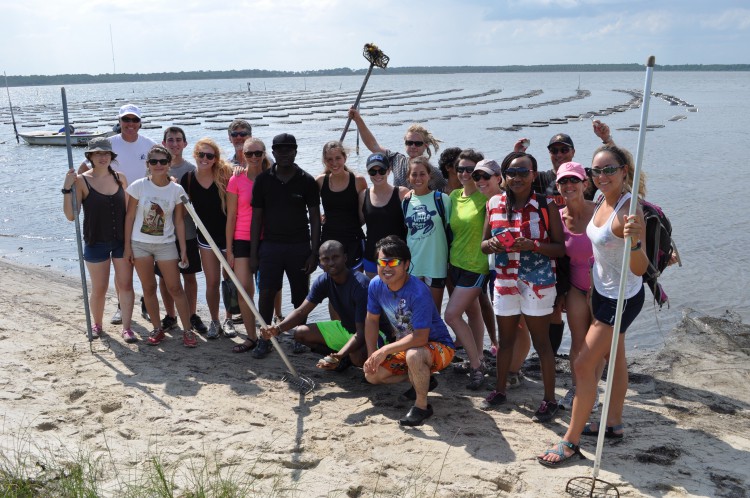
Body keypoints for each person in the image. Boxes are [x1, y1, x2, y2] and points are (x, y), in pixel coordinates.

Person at [538, 144, 648, 467]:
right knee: (616, 358)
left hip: (621, 299)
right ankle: (613, 423)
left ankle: (570, 442)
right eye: (596, 171)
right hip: (602, 291)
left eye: (609, 170)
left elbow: (638, 267)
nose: (602, 176)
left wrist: (637, 241)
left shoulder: (629, 210)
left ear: (624, 171)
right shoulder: (601, 198)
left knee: (584, 364)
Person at [480, 152, 565, 423]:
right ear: (504, 176)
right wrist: (491, 245)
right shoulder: (494, 203)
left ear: (533, 174)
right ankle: (500, 390)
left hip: (537, 282)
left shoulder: (546, 204)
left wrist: (534, 245)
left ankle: (549, 399)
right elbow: (483, 244)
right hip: (504, 281)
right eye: (511, 173)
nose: (516, 177)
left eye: (522, 172)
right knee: (506, 341)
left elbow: (561, 249)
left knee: (542, 344)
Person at [363, 236, 455, 427]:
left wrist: (384, 350)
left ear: (406, 264)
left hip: (439, 347)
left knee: (414, 355)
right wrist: (372, 353)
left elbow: (421, 337)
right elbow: (371, 320)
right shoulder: (375, 285)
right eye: (382, 262)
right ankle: (423, 379)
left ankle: (422, 407)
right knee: (372, 374)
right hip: (408, 346)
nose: (387, 268)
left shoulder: (418, 291)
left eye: (393, 262)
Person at [260, 240, 392, 369]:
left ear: (345, 257)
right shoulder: (323, 281)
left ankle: (345, 359)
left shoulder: (360, 285)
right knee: (300, 333)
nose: (331, 263)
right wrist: (277, 329)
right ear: (320, 263)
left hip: (373, 333)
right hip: (347, 328)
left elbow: (362, 332)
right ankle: (343, 360)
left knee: (357, 357)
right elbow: (301, 312)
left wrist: (338, 355)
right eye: (325, 259)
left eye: (335, 257)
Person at [80, 104, 156, 325]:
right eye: (126, 120)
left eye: (134, 120)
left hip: (144, 212)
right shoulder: (109, 145)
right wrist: (82, 191)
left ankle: (145, 303)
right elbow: (83, 171)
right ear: (120, 122)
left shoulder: (149, 145)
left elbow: (161, 168)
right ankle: (121, 308)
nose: (130, 124)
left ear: (140, 123)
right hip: (117, 212)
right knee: (123, 268)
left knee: (141, 262)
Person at [249, 133, 321, 358]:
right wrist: (253, 254)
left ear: (296, 151)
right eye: (280, 149)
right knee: (267, 292)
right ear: (273, 152)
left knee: (300, 295)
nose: (285, 153)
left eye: (289, 149)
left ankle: (300, 336)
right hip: (270, 246)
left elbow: (316, 219)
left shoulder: (307, 180)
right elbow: (256, 218)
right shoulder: (263, 180)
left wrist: (314, 252)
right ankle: (265, 337)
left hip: (299, 246)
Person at [62, 138, 136, 343]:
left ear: (111, 156)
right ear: (90, 157)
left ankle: (127, 328)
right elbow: (71, 215)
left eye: (106, 153)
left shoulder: (121, 178)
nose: (102, 157)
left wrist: (130, 243)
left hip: (122, 241)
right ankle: (97, 324)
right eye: (97, 154)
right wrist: (66, 189)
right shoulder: (81, 180)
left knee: (126, 285)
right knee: (100, 288)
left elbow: (130, 213)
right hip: (96, 242)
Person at [123, 145, 197, 347]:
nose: (158, 165)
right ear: (147, 164)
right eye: (153, 161)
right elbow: (129, 217)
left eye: (162, 161)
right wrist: (127, 246)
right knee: (149, 288)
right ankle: (157, 329)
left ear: (169, 164)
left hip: (166, 245)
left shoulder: (176, 189)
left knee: (175, 287)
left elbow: (180, 221)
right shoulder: (138, 186)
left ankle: (188, 330)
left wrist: (182, 249)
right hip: (140, 245)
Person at [180, 138, 236, 339]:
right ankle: (215, 320)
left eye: (209, 156)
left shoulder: (226, 175)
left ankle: (229, 319)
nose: (205, 159)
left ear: (215, 159)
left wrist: (230, 248)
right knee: (211, 282)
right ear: (195, 155)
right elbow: (180, 212)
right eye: (201, 154)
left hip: (228, 236)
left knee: (229, 280)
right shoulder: (187, 179)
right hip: (205, 238)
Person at [553, 162, 598, 412]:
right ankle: (578, 387)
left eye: (574, 180)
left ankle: (592, 390)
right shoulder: (558, 218)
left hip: (603, 288)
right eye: (563, 182)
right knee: (578, 343)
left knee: (599, 345)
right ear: (558, 186)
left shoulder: (600, 211)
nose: (569, 186)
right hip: (575, 288)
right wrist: (560, 293)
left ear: (585, 183)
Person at [444, 151, 490, 391]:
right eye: (460, 169)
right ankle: (480, 356)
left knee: (451, 315)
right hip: (456, 264)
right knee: (472, 312)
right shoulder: (453, 196)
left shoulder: (487, 198)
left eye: (470, 169)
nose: (464, 174)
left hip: (476, 266)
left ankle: (476, 366)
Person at [155, 126, 208, 336]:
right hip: (162, 235)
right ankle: (170, 315)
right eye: (170, 140)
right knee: (164, 278)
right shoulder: (157, 168)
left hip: (186, 233)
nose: (174, 143)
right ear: (164, 143)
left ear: (185, 144)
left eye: (178, 140)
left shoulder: (191, 170)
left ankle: (192, 314)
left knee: (189, 276)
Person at [226, 137, 268, 353]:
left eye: (257, 153)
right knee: (244, 290)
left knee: (268, 290)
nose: (253, 157)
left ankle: (267, 334)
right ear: (243, 155)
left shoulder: (271, 177)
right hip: (241, 239)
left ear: (264, 154)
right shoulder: (236, 179)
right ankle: (251, 337)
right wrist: (229, 249)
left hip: (266, 239)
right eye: (249, 154)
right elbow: (231, 216)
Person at [347, 107, 446, 191]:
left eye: (417, 143)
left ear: (426, 145)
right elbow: (373, 145)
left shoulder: (435, 173)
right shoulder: (397, 160)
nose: (413, 146)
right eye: (409, 142)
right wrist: (358, 120)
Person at [402, 157, 451, 313]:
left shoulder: (442, 199)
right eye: (414, 174)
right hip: (414, 265)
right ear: (408, 178)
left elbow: (451, 229)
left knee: (434, 312)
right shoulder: (406, 202)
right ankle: (419, 338)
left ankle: (435, 338)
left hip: (436, 264)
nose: (418, 178)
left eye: (422, 174)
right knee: (415, 311)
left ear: (429, 175)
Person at [316, 141, 367, 269]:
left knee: (356, 284)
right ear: (324, 161)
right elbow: (311, 206)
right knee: (332, 286)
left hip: (353, 240)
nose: (334, 163)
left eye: (338, 158)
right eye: (329, 159)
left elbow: (363, 215)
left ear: (345, 157)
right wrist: (320, 218)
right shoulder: (320, 181)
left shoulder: (358, 181)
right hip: (329, 242)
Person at [358, 153, 409, 279]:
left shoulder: (402, 193)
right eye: (372, 171)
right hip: (371, 258)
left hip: (397, 259)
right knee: (375, 296)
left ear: (389, 170)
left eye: (381, 170)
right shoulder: (363, 195)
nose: (377, 175)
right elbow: (358, 222)